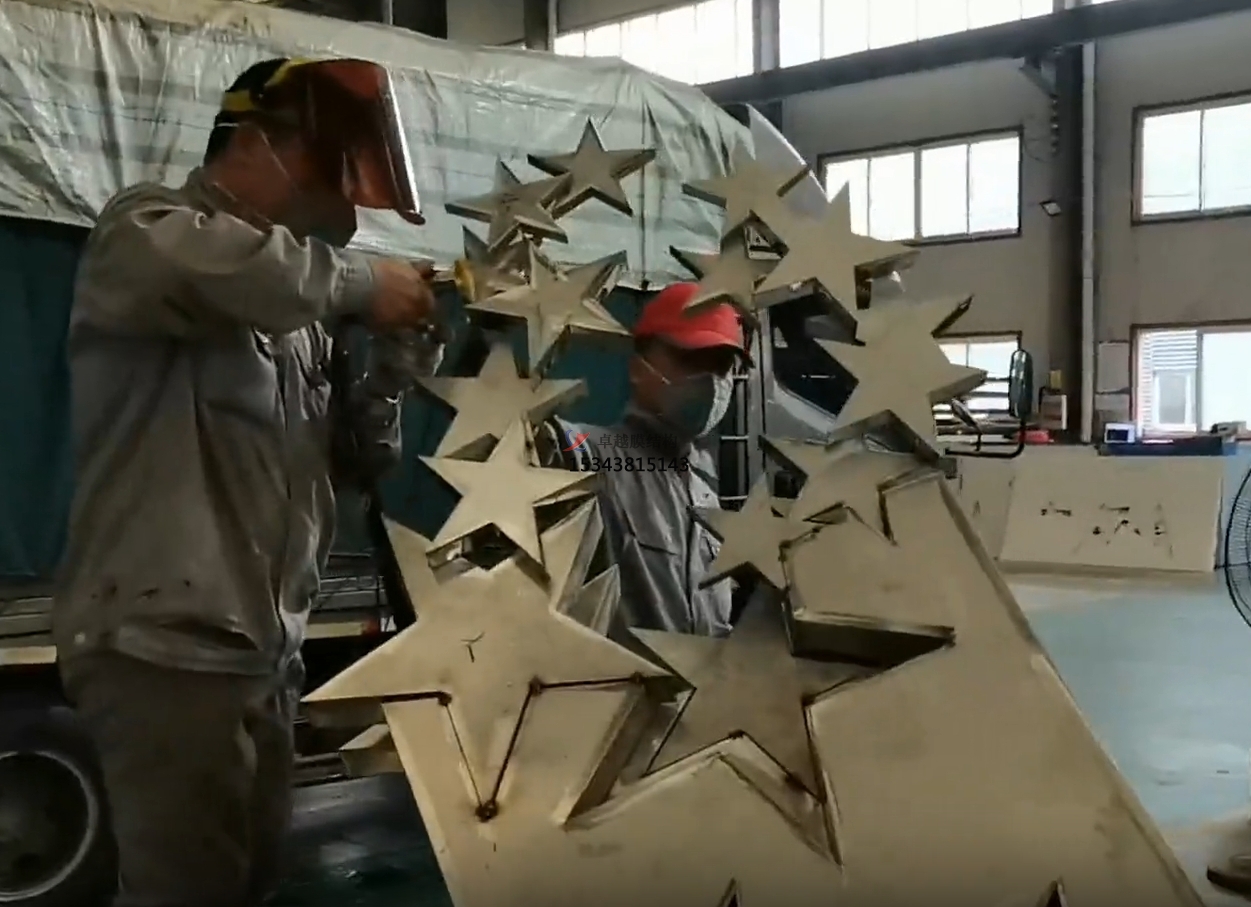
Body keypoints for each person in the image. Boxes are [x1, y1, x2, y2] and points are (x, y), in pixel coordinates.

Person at [52, 58, 445, 907]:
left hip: (261, 652)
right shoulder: (146, 231)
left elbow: (355, 465)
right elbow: (233, 270)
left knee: (247, 883)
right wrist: (362, 283)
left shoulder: (298, 317)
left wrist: (390, 374)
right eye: (327, 164)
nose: (341, 201)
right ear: (255, 143)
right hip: (165, 645)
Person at [545, 282, 748, 637]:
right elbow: (521, 439)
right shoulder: (591, 454)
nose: (711, 382)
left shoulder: (705, 488)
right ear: (638, 368)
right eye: (691, 359)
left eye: (722, 366)